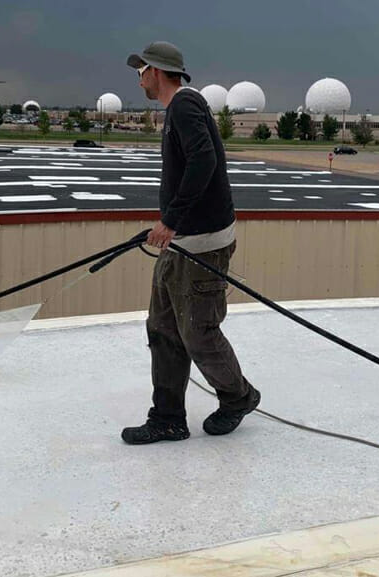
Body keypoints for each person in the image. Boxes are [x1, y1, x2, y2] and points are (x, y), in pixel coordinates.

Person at [121, 41, 260, 445]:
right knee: (163, 328)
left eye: (140, 71)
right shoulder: (181, 108)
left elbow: (204, 161)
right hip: (183, 242)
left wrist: (170, 220)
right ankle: (167, 418)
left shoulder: (184, 105)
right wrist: (172, 226)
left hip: (201, 245)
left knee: (198, 331)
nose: (139, 78)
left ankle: (238, 397)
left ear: (156, 71)